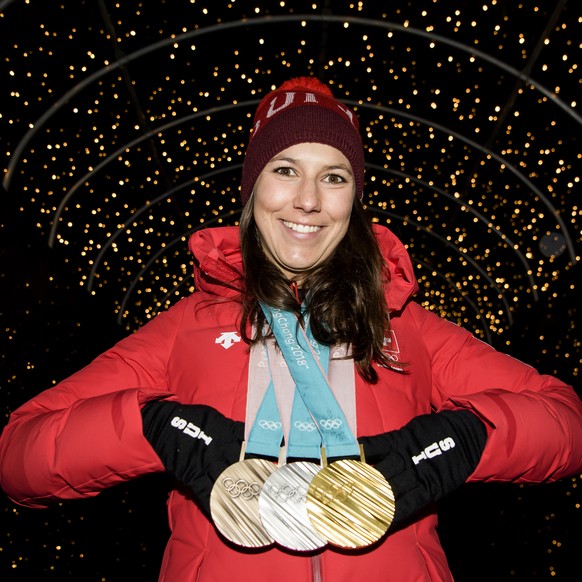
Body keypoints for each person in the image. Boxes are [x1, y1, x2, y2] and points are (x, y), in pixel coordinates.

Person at [1, 76, 581, 582]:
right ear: (253, 191)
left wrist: (447, 448)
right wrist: (158, 427)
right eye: (285, 171)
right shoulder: (185, 329)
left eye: (333, 177)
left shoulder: (405, 325)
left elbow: (567, 422)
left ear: (354, 200)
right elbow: (18, 454)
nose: (307, 201)